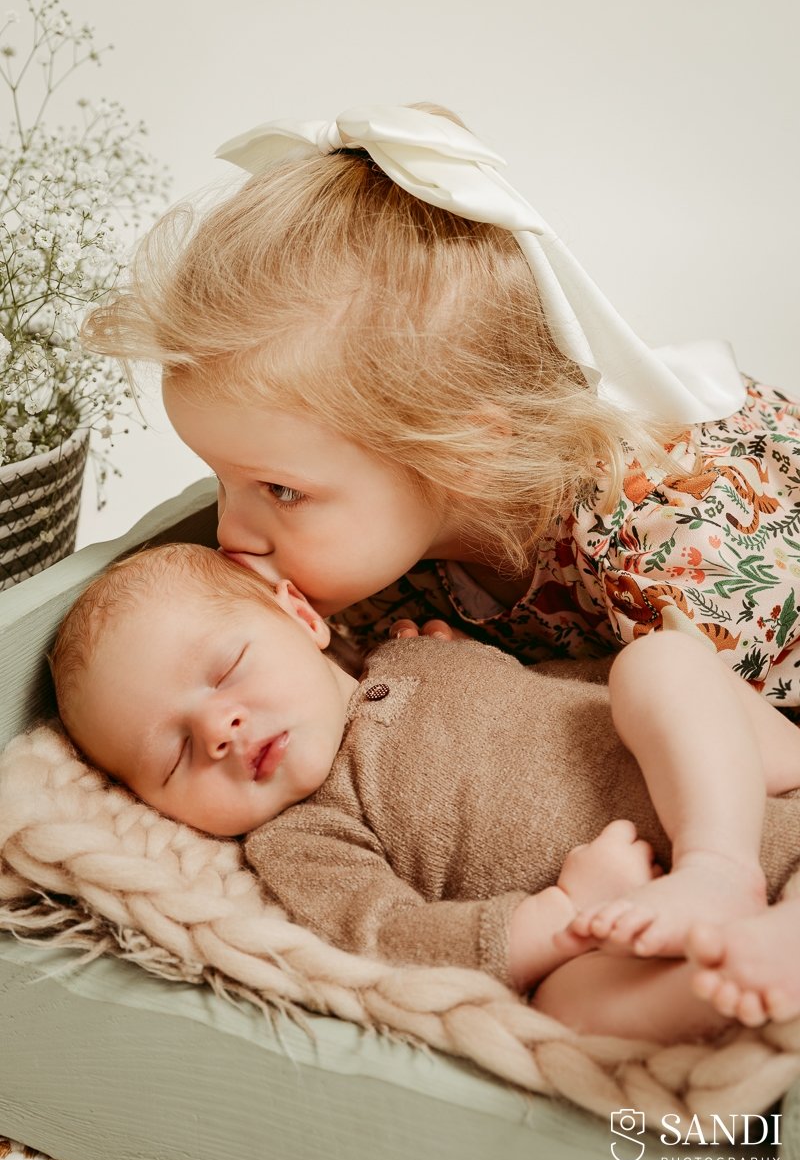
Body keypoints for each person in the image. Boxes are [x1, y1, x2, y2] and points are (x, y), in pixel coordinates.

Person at [83, 103, 800, 709]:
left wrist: (539, 692)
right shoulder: (380, 565)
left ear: (468, 453)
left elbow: (740, 747)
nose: (230, 533)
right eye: (221, 479)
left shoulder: (670, 549)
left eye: (281, 490)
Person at [50, 542, 800, 1041]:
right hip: (648, 921)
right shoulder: (300, 838)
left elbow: (556, 698)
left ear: (303, 617)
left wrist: (457, 657)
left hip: (742, 793)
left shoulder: (414, 654)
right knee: (567, 1006)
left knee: (657, 665)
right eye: (177, 755)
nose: (220, 728)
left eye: (227, 670)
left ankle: (719, 866)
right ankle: (741, 967)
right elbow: (389, 940)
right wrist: (562, 917)